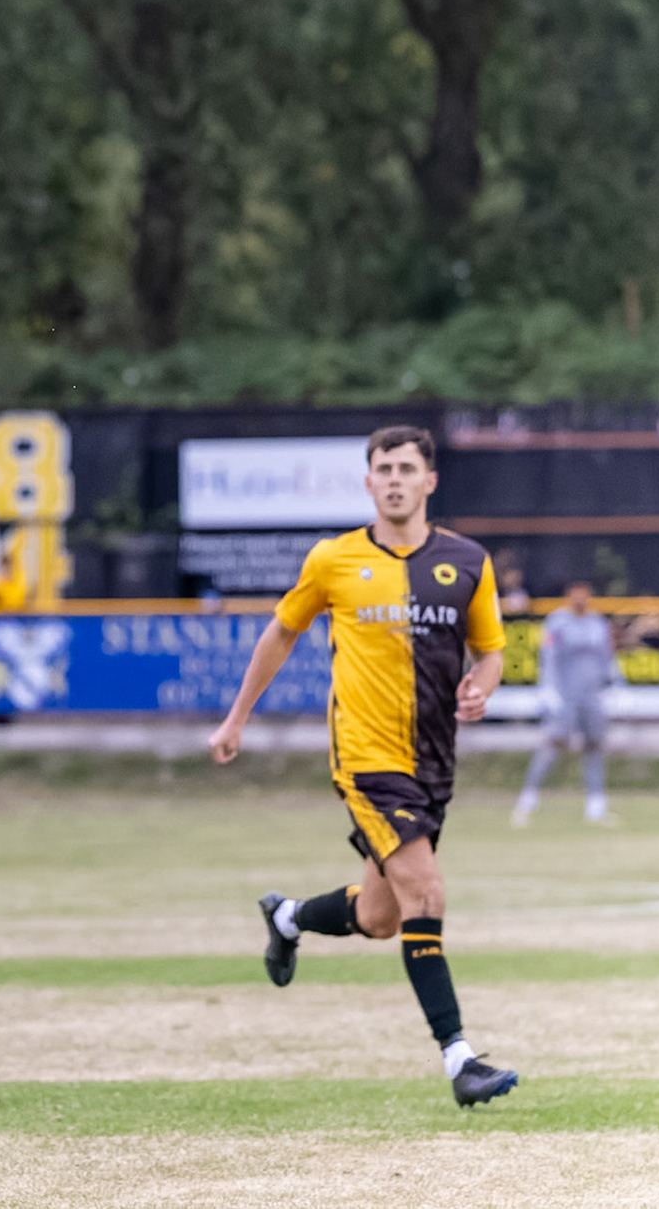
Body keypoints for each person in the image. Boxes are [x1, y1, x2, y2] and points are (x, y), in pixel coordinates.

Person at [208, 425, 520, 1109]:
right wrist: (237, 718)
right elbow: (282, 630)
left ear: (430, 480)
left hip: (433, 765)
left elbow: (491, 649)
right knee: (427, 894)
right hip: (368, 760)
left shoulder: (468, 560)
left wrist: (485, 681)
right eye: (384, 468)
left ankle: (288, 917)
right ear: (369, 481)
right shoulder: (335, 559)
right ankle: (460, 1058)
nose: (396, 478)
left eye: (408, 467)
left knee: (381, 916)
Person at [513, 580, 618, 826]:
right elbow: (548, 658)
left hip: (591, 695)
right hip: (565, 695)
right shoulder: (557, 622)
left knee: (594, 745)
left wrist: (613, 684)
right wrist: (548, 689)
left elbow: (607, 657)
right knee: (553, 743)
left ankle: (596, 805)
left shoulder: (597, 623)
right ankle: (528, 799)